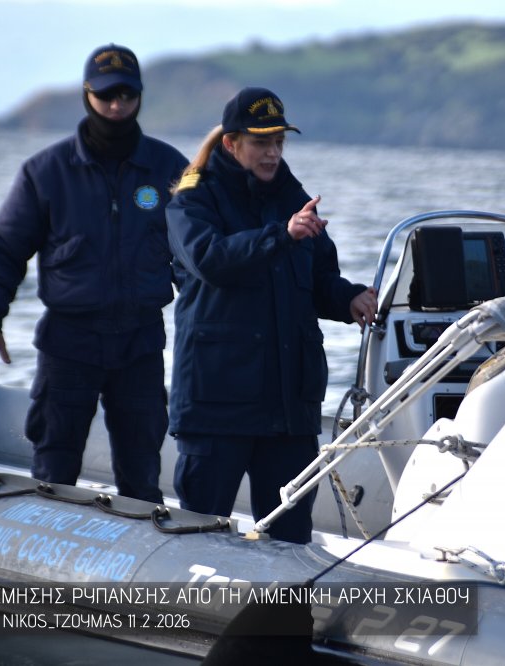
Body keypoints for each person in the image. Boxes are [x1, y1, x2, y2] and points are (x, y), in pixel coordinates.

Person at [0, 44, 188, 501]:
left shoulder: (170, 169)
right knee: (54, 462)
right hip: (68, 341)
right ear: (87, 94)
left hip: (141, 340)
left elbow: (197, 258)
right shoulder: (46, 171)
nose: (116, 106)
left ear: (140, 96)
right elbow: (4, 249)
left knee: (143, 468)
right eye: (105, 95)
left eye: (126, 95)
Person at [165, 87, 377, 543]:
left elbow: (320, 281)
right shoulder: (192, 200)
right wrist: (280, 234)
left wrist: (350, 298)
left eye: (279, 141)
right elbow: (212, 259)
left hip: (288, 412)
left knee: (290, 540)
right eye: (261, 142)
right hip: (217, 407)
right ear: (231, 144)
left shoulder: (295, 198)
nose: (273, 152)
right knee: (200, 536)